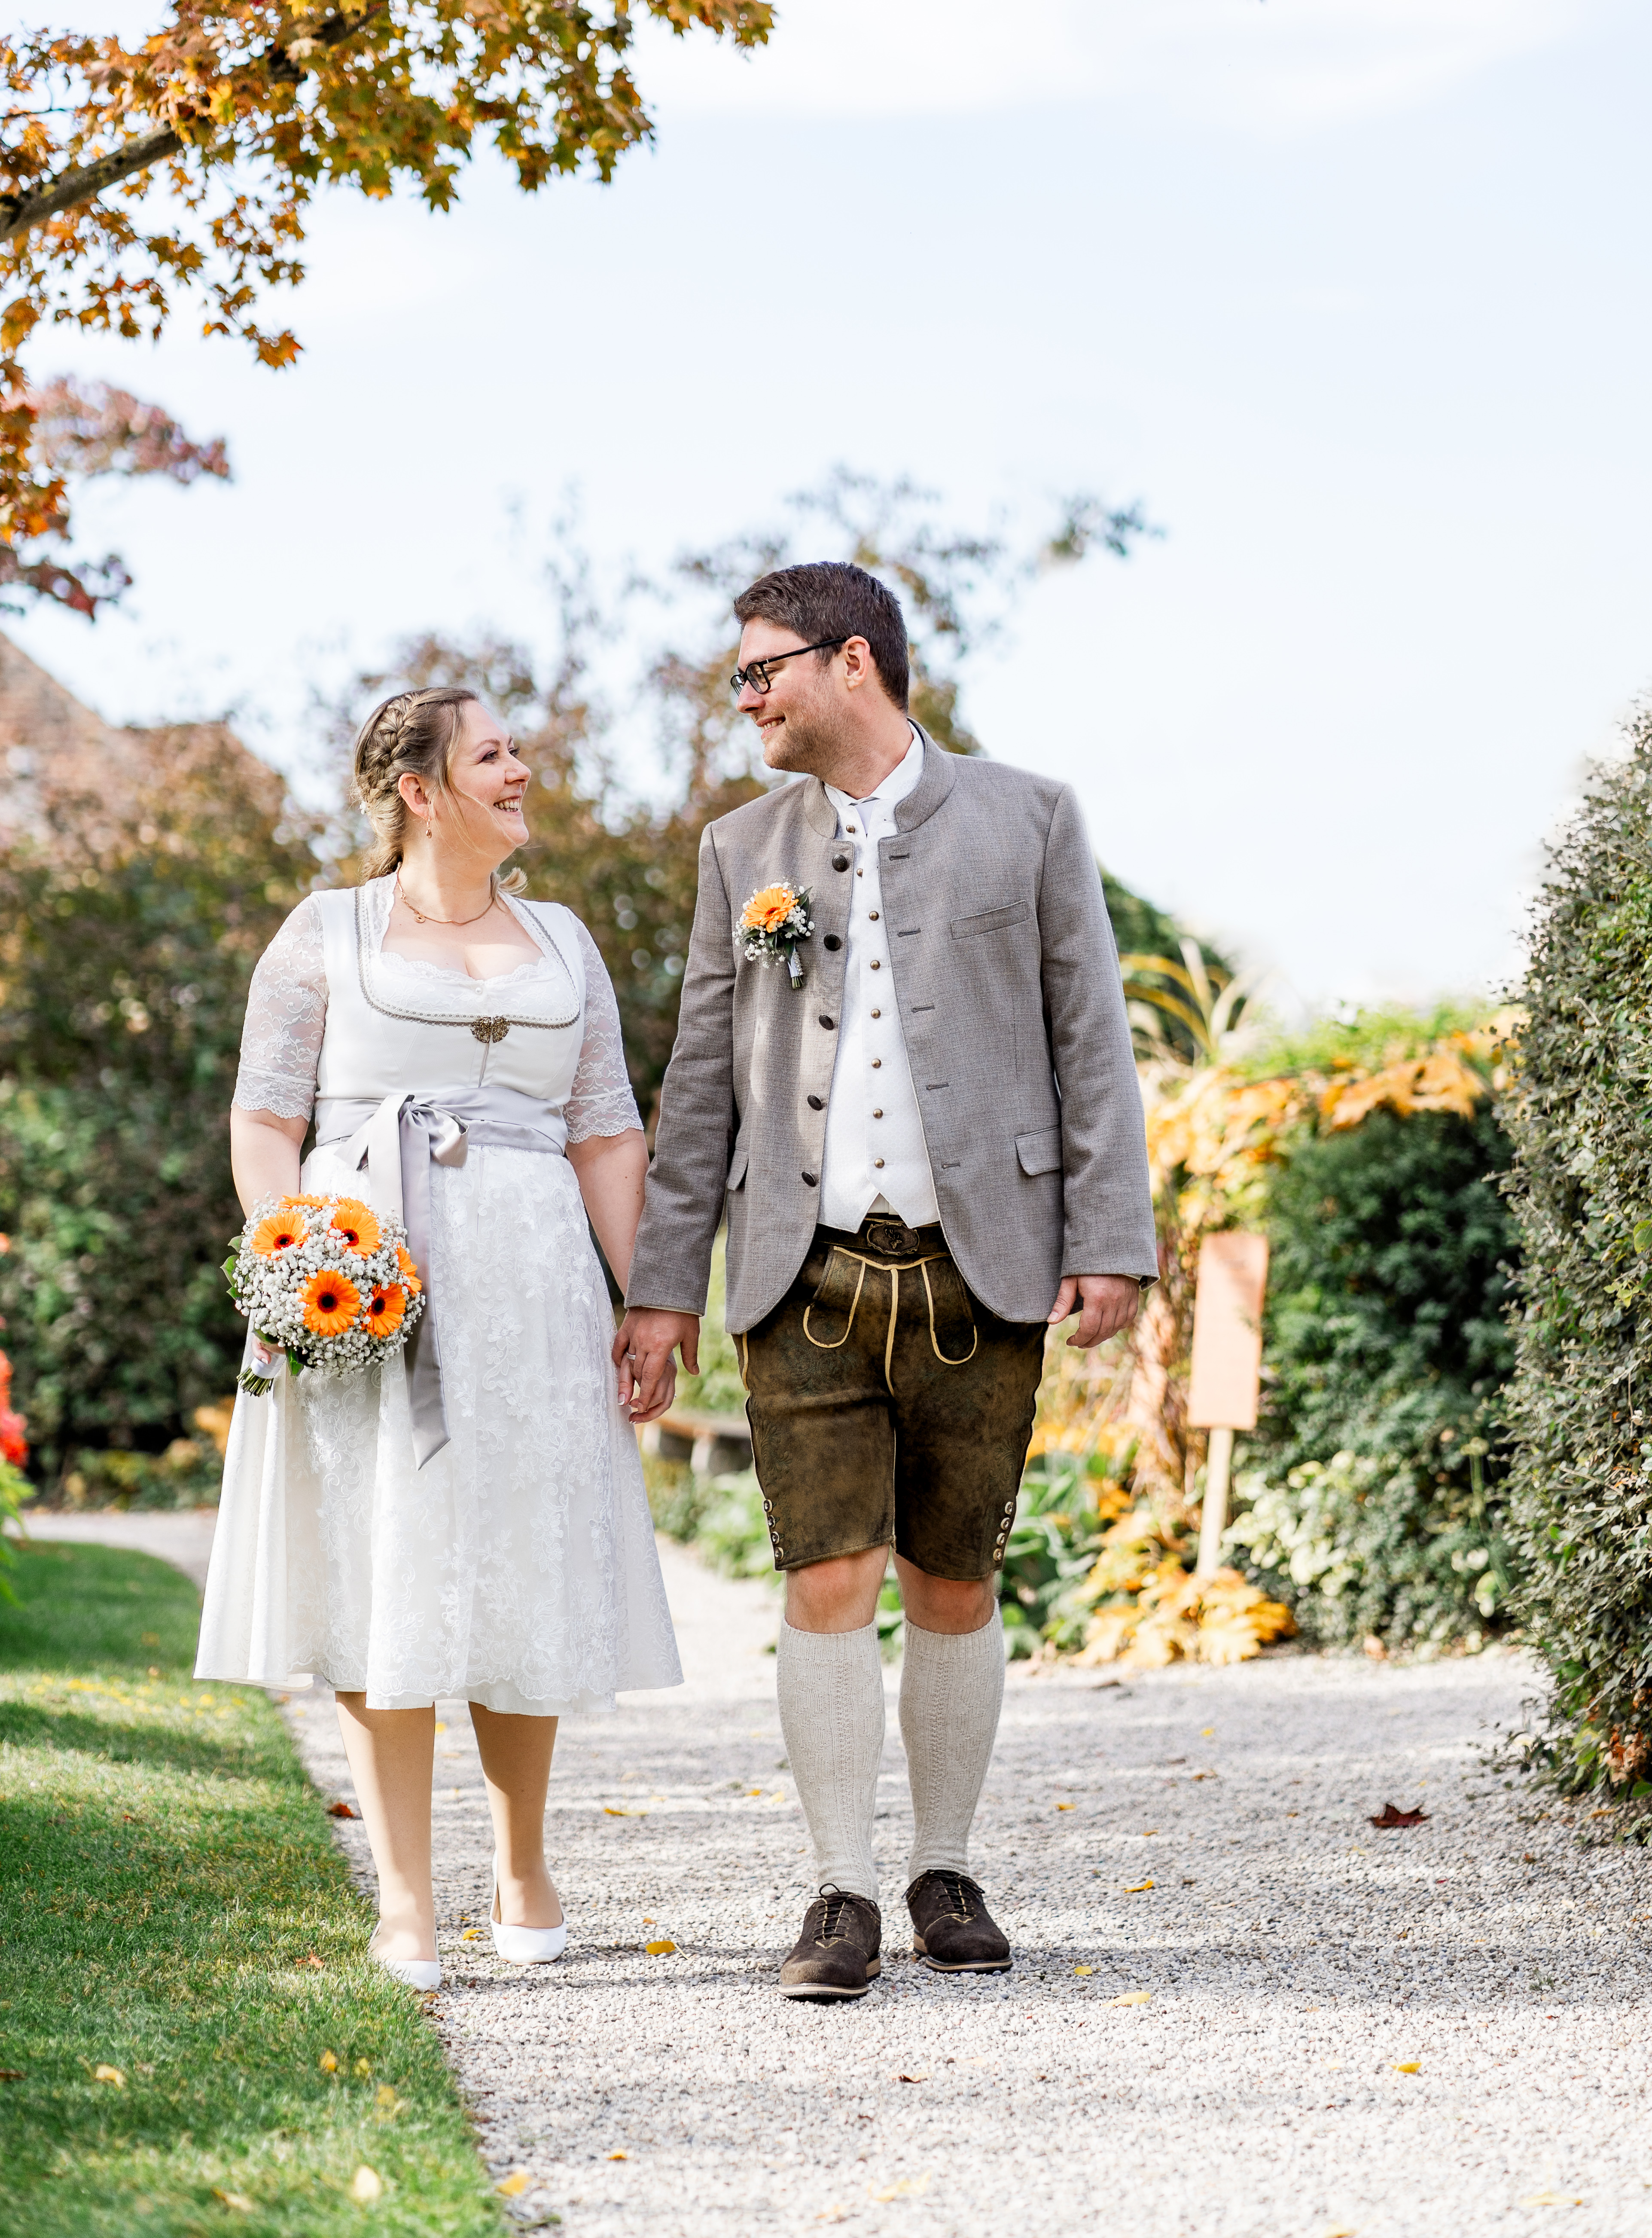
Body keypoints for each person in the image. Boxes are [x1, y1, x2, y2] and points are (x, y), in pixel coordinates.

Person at [616, 562, 1153, 2000]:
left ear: (853, 662)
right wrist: (664, 1291)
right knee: (827, 1576)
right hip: (803, 1270)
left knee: (955, 1580)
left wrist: (1113, 1239)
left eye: (761, 670)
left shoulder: (1030, 818)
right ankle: (840, 1892)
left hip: (988, 1265)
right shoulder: (744, 850)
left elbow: (1090, 1039)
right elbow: (704, 1082)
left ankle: (946, 1867)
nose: (747, 698)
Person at [195, 687, 680, 1989]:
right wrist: (297, 1254)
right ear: (420, 789)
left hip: (534, 1293)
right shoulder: (324, 934)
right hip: (374, 1289)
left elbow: (607, 1129)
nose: (523, 770)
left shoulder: (566, 941)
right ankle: (404, 1898)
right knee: (384, 1569)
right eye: (494, 754)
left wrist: (647, 1300)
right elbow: (264, 1118)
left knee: (521, 1559)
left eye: (516, 749)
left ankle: (523, 1859)